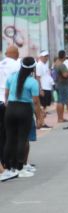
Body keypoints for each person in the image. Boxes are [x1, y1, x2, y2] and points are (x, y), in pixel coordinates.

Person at [2, 57, 40, 181]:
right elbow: (36, 102)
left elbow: (6, 93)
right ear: (33, 68)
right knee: (22, 139)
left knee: (10, 138)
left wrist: (8, 104)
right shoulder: (32, 82)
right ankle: (20, 168)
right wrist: (39, 117)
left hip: (10, 108)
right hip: (25, 110)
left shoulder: (12, 77)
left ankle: (8, 168)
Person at [0, 45, 22, 177]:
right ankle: (11, 165)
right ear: (16, 54)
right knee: (12, 134)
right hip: (10, 102)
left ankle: (3, 164)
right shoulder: (17, 64)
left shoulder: (0, 64)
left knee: (2, 135)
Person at [35, 51, 53, 129]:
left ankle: (40, 123)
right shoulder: (39, 65)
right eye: (45, 56)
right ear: (41, 57)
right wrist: (40, 89)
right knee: (42, 107)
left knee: (44, 107)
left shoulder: (45, 65)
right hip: (43, 88)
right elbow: (38, 77)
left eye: (47, 56)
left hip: (47, 87)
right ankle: (41, 123)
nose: (46, 58)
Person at [53, 50, 68, 124]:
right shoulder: (61, 65)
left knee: (59, 101)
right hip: (63, 85)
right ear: (64, 56)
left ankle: (60, 118)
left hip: (58, 84)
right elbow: (65, 75)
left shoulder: (56, 63)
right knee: (61, 101)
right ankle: (60, 118)